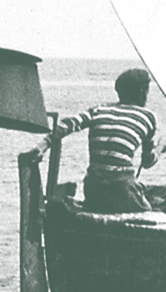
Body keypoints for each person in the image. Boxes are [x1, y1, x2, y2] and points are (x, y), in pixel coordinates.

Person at [51, 66, 160, 212]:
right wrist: (158, 150)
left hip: (93, 189)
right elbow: (147, 162)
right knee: (150, 211)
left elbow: (66, 125)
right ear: (141, 93)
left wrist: (40, 147)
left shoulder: (98, 110)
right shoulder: (148, 117)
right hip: (123, 190)